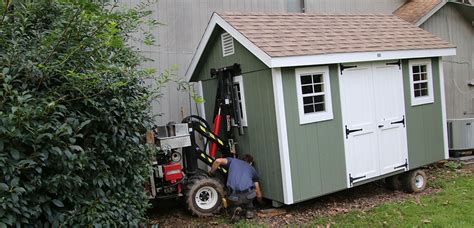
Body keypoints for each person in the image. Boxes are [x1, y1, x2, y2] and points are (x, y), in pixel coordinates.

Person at [210, 154, 262, 222]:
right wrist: (261, 202)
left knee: (230, 198)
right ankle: (249, 211)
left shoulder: (233, 161)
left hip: (234, 197)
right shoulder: (252, 169)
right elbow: (258, 192)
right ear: (251, 162)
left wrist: (211, 173)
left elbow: (217, 161)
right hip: (248, 196)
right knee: (249, 200)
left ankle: (235, 209)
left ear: (238, 159)